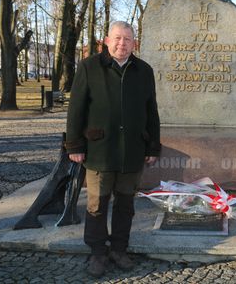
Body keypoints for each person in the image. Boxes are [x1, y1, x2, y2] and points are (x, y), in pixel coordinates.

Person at [65, 21, 161, 278]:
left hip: (132, 151)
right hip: (99, 150)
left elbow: (151, 111)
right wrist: (74, 145)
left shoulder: (144, 70)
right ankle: (97, 252)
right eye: (117, 38)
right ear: (107, 40)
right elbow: (76, 109)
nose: (122, 43)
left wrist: (153, 145)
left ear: (134, 43)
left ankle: (119, 248)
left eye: (127, 39)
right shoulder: (89, 67)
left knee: (125, 204)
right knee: (96, 204)